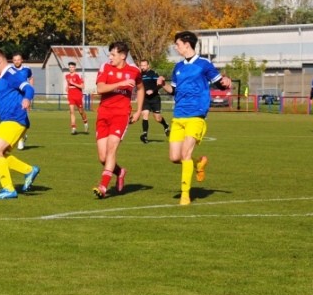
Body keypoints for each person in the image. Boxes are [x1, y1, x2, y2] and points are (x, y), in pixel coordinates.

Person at [160, 31, 232, 206]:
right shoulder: (178, 67)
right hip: (178, 116)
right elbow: (174, 91)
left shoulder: (204, 64)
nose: (176, 47)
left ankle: (185, 194)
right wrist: (163, 85)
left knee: (185, 154)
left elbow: (218, 83)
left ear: (187, 44)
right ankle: (199, 162)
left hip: (196, 115)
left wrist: (225, 81)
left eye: (177, 44)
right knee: (174, 157)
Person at [0, 47, 39, 200]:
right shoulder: (2, 79)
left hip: (15, 119)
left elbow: (28, 87)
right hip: (8, 120)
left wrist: (27, 98)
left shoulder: (11, 74)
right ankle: (28, 170)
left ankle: (8, 189)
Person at [92, 42, 144, 198]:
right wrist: (120, 83)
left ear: (123, 56)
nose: (110, 57)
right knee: (102, 157)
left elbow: (140, 88)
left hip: (121, 115)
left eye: (113, 55)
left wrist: (139, 110)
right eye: (110, 54)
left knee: (111, 149)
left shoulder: (134, 71)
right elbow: (100, 88)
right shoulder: (105, 68)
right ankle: (120, 171)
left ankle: (103, 186)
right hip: (103, 114)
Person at [137, 58, 170, 143]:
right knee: (145, 114)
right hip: (145, 99)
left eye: (144, 65)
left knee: (157, 118)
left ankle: (165, 125)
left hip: (154, 98)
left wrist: (153, 90)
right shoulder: (139, 75)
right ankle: (145, 135)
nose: (143, 67)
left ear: (148, 66)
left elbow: (160, 85)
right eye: (141, 65)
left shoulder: (153, 73)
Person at [6, 53, 34, 149]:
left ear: (22, 60)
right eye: (15, 60)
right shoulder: (10, 70)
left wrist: (30, 93)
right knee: (13, 116)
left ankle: (21, 138)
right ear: (12, 61)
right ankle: (20, 136)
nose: (17, 61)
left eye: (18, 59)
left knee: (24, 117)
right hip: (13, 97)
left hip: (24, 97)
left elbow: (30, 78)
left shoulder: (27, 69)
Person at [65, 61, 89, 135]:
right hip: (71, 95)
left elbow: (82, 86)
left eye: (72, 67)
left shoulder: (78, 76)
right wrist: (67, 87)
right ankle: (73, 128)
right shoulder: (67, 76)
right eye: (70, 67)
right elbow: (68, 84)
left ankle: (85, 122)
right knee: (72, 111)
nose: (71, 68)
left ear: (75, 68)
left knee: (81, 111)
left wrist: (74, 83)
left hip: (78, 95)